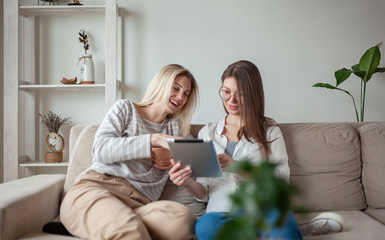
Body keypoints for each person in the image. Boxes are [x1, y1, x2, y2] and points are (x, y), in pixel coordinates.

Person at [169, 60, 343, 240]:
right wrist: (187, 182)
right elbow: (203, 193)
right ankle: (291, 230)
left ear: (253, 95)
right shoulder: (208, 132)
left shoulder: (269, 131)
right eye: (226, 92)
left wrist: (239, 167)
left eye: (240, 94)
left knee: (283, 227)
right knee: (205, 227)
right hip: (223, 213)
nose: (231, 100)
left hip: (264, 209)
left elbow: (281, 179)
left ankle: (280, 229)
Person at [60, 64, 199, 240]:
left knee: (183, 221)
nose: (180, 97)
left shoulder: (177, 129)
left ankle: (100, 223)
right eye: (176, 88)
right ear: (161, 84)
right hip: (99, 187)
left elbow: (194, 173)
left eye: (186, 94)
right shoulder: (125, 109)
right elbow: (100, 150)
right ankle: (98, 219)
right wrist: (152, 140)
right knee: (130, 231)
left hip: (141, 204)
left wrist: (175, 167)